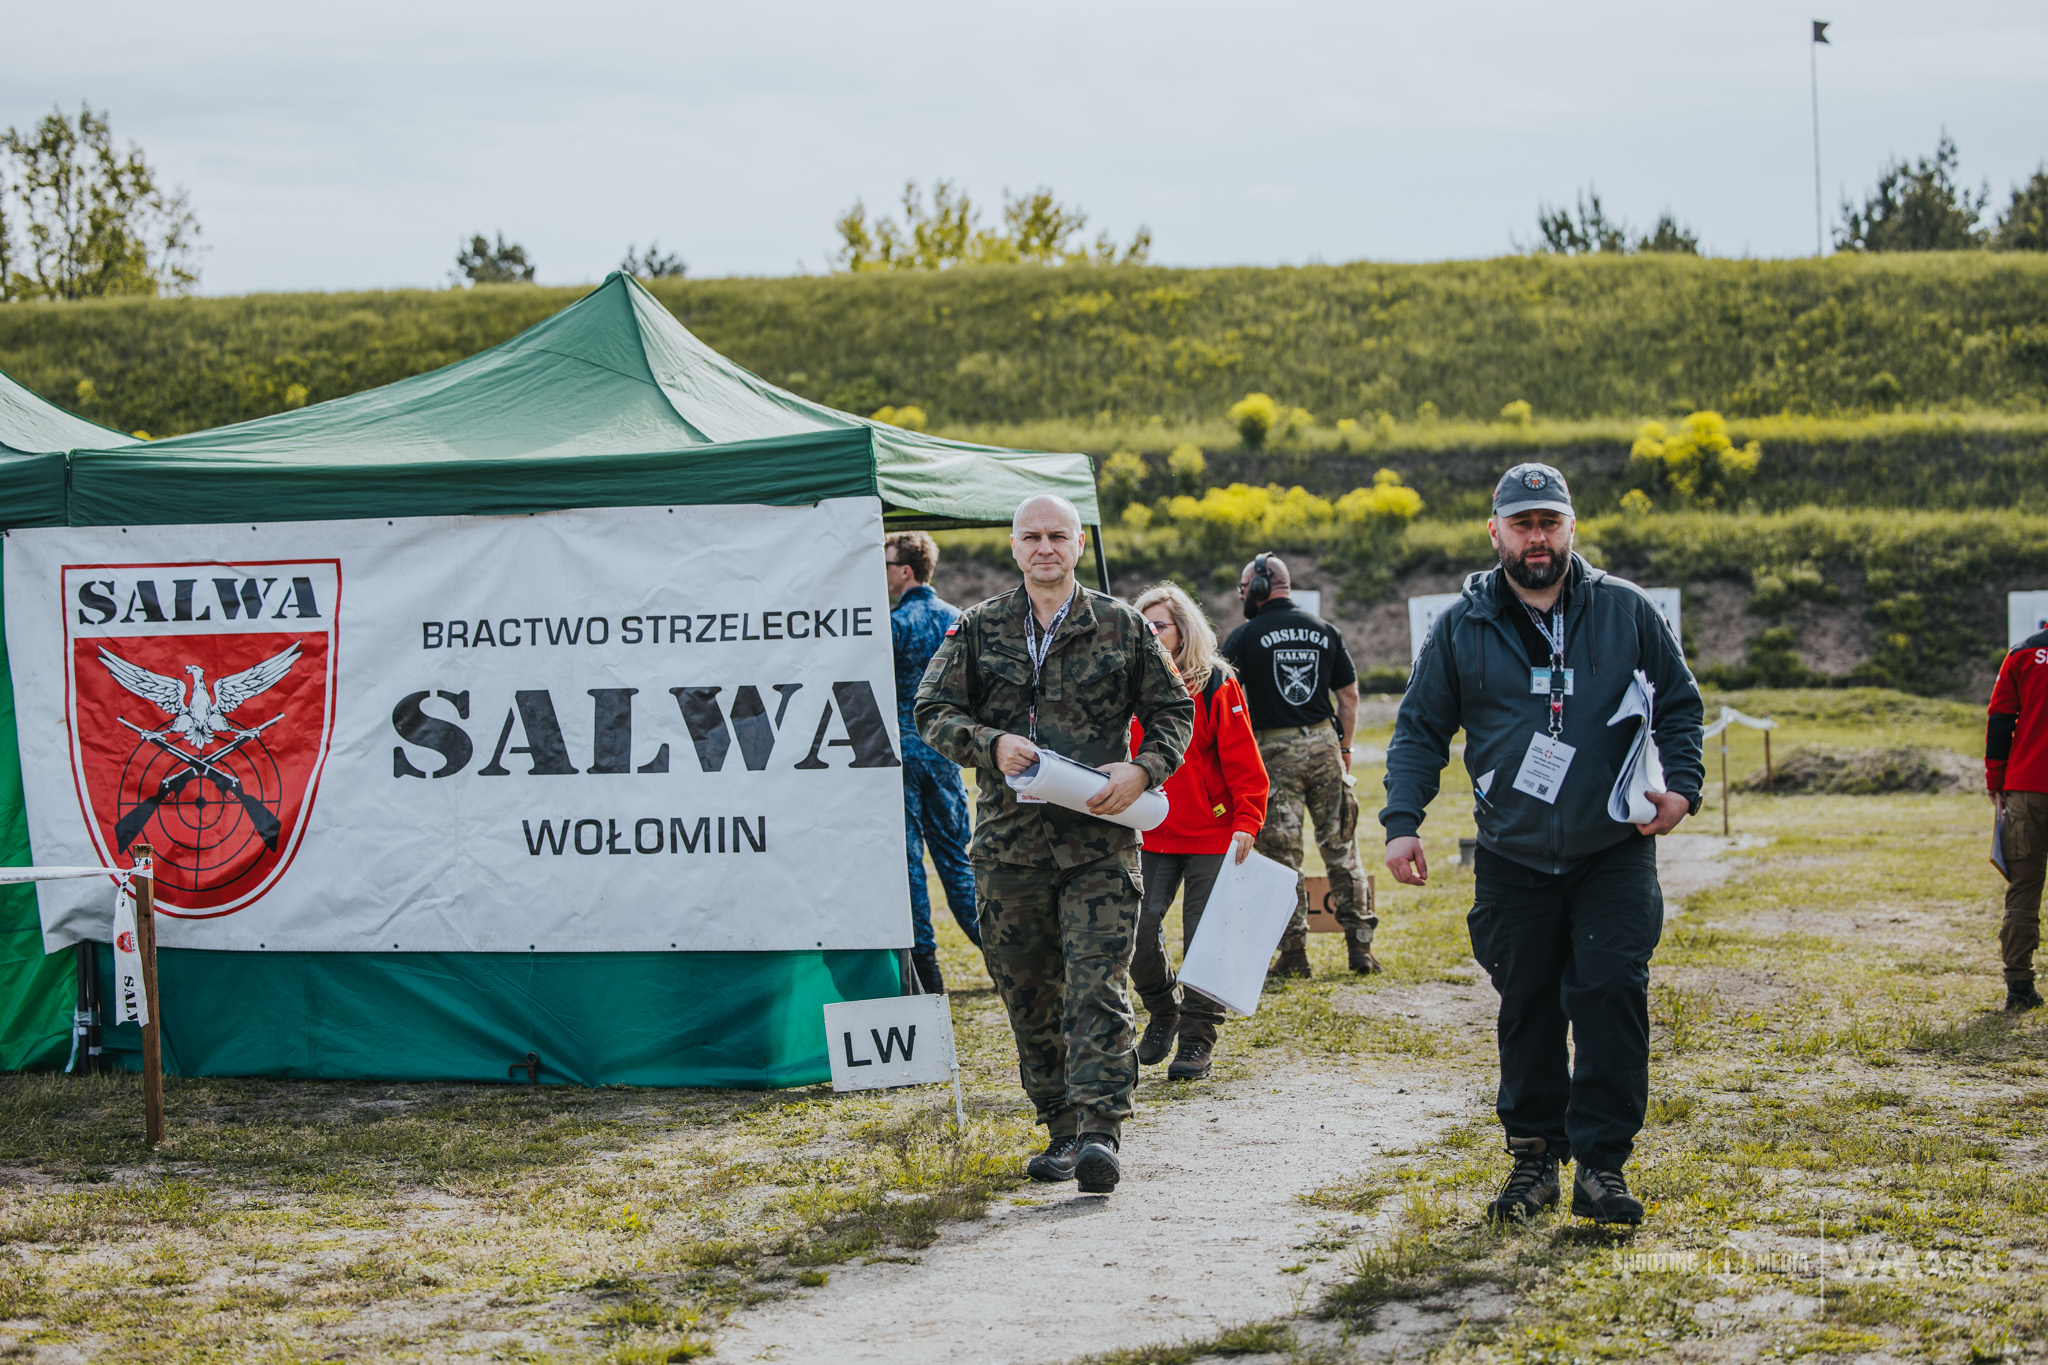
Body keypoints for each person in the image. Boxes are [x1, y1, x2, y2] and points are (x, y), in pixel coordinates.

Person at [1381, 462, 1704, 1228]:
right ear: (1495, 531)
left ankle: (1601, 1167)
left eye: (1549, 522)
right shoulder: (1461, 626)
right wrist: (1402, 822)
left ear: (1571, 527)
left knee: (1610, 991)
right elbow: (1421, 729)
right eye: (1522, 524)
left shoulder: (1626, 610)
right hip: (1513, 854)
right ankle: (1533, 1160)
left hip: (1611, 846)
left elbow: (1680, 703)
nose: (1537, 537)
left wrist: (1683, 785)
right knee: (1526, 1005)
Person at [915, 494, 1193, 1195]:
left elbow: (1173, 710)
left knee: (1096, 986)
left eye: (1058, 536)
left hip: (1098, 840)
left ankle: (1103, 1129)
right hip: (1009, 848)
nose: (1046, 547)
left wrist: (1142, 768)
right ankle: (1062, 1127)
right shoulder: (978, 628)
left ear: (1076, 544)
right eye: (1033, 536)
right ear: (1014, 546)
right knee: (1029, 990)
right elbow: (930, 711)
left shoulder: (1123, 626)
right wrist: (990, 742)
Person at [1127, 583, 1270, 1081]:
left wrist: (1247, 821)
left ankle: (1196, 1038)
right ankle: (1165, 1009)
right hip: (1148, 831)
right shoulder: (1126, 685)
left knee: (1207, 940)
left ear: (1181, 630)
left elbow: (1245, 764)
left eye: (1158, 625)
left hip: (1213, 833)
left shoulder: (1214, 683)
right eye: (1141, 625)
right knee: (1134, 931)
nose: (1148, 633)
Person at [1220, 553, 1379, 977]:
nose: (1241, 596)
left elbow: (1221, 697)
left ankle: (1294, 956)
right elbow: (1349, 697)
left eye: (1243, 588)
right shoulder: (1326, 631)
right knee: (1342, 849)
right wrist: (1344, 749)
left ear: (1257, 588)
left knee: (1281, 859)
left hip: (1274, 753)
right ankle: (1360, 949)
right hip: (1325, 746)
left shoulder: (1244, 636)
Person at [884, 530, 983, 994]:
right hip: (944, 753)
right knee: (958, 860)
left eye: (886, 564)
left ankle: (928, 970)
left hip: (899, 755)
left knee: (909, 865)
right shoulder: (957, 619)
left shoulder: (893, 624)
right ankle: (997, 950)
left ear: (905, 570)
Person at [1986, 628, 2048, 1013]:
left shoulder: (2023, 653)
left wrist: (1996, 780)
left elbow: (2000, 719)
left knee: (2023, 889)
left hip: (2026, 790)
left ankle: (2019, 988)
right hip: (2025, 787)